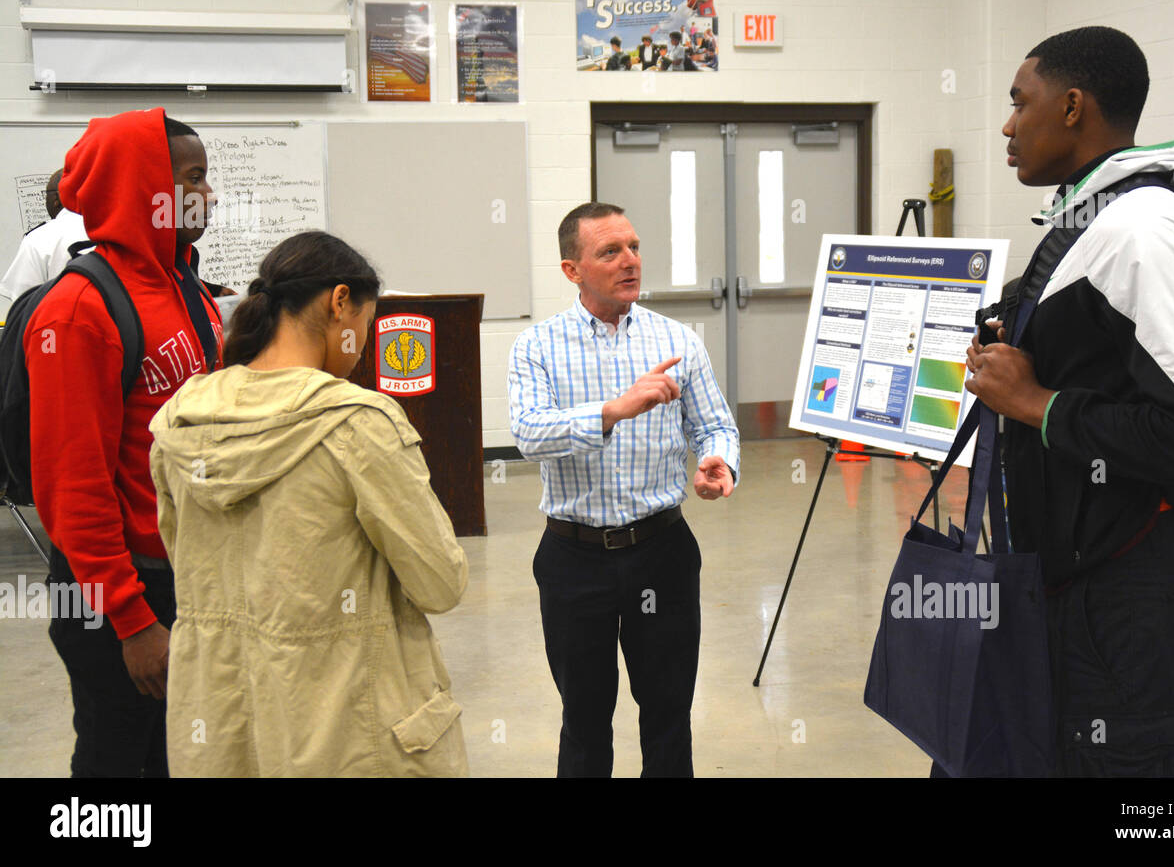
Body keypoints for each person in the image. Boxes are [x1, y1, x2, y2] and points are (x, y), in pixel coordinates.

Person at [965, 26, 1174, 776]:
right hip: (1082, 583)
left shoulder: (1142, 229)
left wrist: (1035, 401)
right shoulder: (1091, 218)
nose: (1007, 126)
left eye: (1020, 103)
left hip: (1138, 604)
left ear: (1074, 105)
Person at [149, 231, 470, 777]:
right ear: (339, 301)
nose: (363, 346)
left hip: (222, 720)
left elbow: (185, 559)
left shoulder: (181, 420)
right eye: (365, 326)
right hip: (346, 728)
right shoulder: (357, 424)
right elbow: (440, 582)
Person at [508, 202, 739, 778]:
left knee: (667, 714)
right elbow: (530, 435)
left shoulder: (678, 339)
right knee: (583, 718)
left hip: (661, 553)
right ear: (573, 270)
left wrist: (718, 461)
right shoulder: (537, 347)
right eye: (610, 252)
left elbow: (715, 424)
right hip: (574, 559)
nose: (630, 261)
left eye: (633, 247)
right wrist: (613, 410)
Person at [31, 108, 225, 777]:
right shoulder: (79, 309)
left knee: (178, 756)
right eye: (192, 179)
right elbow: (71, 485)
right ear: (144, 186)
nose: (209, 195)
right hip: (118, 594)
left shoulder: (185, 285)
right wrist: (132, 621)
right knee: (116, 763)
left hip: (188, 577)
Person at [0, 168, 90, 306]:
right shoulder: (113, 230)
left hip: (56, 324)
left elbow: (23, 301)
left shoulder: (40, 238)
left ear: (56, 199)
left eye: (46, 195)